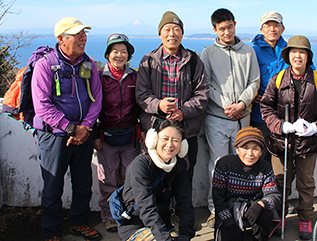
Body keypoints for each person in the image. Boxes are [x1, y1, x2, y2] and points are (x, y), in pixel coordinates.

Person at [31, 17, 102, 241]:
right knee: (53, 185)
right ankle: (52, 232)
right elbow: (42, 105)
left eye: (84, 33)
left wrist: (86, 127)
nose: (83, 38)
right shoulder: (45, 65)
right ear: (61, 39)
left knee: (83, 183)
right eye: (77, 34)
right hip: (54, 136)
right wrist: (72, 128)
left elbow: (97, 99)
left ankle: (79, 223)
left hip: (83, 134)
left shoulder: (88, 64)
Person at [260, 35, 317, 240]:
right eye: (293, 52)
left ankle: (305, 219)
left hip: (308, 144)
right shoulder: (277, 79)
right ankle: (279, 217)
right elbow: (266, 107)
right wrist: (281, 125)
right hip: (280, 142)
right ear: (288, 55)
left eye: (301, 52)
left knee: (305, 183)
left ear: (308, 56)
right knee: (279, 182)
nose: (297, 56)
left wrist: (315, 127)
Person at [201, 8, 260, 227]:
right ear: (215, 29)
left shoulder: (248, 51)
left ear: (235, 24)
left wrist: (242, 104)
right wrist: (228, 105)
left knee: (242, 162)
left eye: (230, 27)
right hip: (217, 117)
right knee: (217, 164)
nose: (227, 32)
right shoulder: (208, 53)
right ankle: (215, 208)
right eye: (222, 28)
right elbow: (206, 85)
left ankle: (239, 204)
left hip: (242, 118)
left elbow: (254, 81)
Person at [136, 11, 209, 184]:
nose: (172, 34)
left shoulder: (193, 60)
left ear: (182, 34)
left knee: (185, 175)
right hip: (156, 128)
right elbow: (141, 94)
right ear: (160, 33)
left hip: (186, 130)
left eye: (176, 29)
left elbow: (202, 94)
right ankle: (157, 212)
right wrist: (159, 105)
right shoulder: (148, 60)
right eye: (167, 29)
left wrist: (183, 111)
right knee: (154, 177)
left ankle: (181, 211)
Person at [93, 33, 142, 232]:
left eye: (124, 51)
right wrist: (95, 135)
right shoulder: (99, 77)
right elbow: (92, 108)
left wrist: (143, 130)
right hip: (106, 137)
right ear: (107, 54)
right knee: (108, 180)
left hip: (130, 136)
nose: (119, 55)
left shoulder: (134, 77)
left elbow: (140, 106)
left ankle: (128, 213)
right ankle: (109, 216)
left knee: (129, 178)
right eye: (115, 51)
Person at [118, 119, 195, 241]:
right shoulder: (140, 166)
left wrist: (186, 235)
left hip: (163, 225)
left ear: (182, 145)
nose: (169, 145)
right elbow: (147, 208)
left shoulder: (179, 165)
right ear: (154, 140)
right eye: (165, 139)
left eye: (176, 140)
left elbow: (185, 204)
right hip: (136, 226)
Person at [212, 126, 280, 241]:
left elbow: (274, 195)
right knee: (227, 232)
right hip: (229, 207)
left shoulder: (265, 167)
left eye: (255, 149)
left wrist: (260, 205)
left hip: (253, 205)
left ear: (261, 152)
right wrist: (228, 221)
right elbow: (218, 199)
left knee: (266, 216)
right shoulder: (224, 165)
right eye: (245, 148)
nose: (250, 154)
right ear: (237, 149)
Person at [251, 11, 287, 163]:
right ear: (262, 30)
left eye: (276, 25)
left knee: (283, 162)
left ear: (282, 29)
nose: (272, 29)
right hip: (259, 115)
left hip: (285, 115)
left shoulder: (290, 50)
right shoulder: (252, 51)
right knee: (260, 158)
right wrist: (249, 96)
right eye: (268, 26)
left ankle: (281, 188)